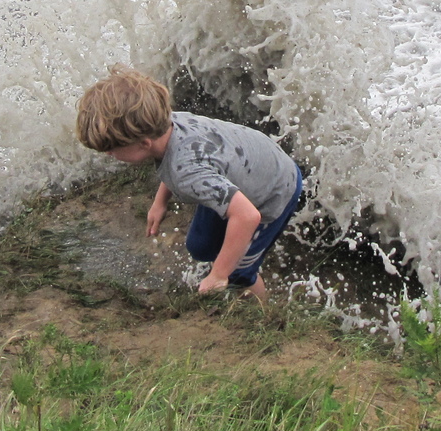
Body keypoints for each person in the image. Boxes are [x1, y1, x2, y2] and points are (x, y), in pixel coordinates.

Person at [76, 68, 303, 303]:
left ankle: (261, 315)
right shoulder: (168, 122)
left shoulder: (188, 173)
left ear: (144, 143)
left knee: (238, 274)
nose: (109, 155)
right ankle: (226, 259)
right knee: (201, 246)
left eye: (112, 149)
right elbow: (174, 162)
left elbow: (247, 216)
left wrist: (219, 275)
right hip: (246, 165)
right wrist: (160, 201)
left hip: (274, 191)